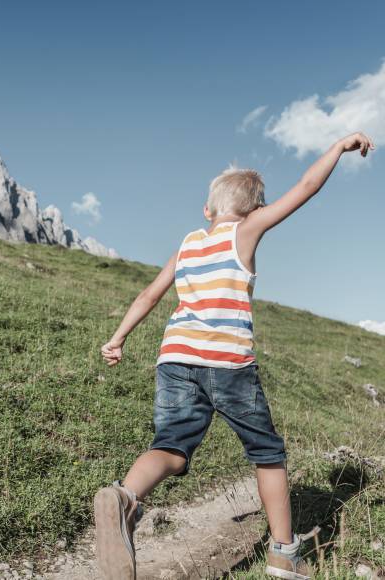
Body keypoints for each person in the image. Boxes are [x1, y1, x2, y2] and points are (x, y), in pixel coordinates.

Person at [95, 132, 375, 580]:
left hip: (175, 359)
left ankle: (124, 497)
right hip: (229, 365)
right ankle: (284, 553)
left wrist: (118, 338)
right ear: (255, 210)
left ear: (207, 210)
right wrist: (338, 148)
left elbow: (150, 294)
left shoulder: (188, 243)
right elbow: (305, 188)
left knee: (170, 447)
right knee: (268, 454)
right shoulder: (248, 229)